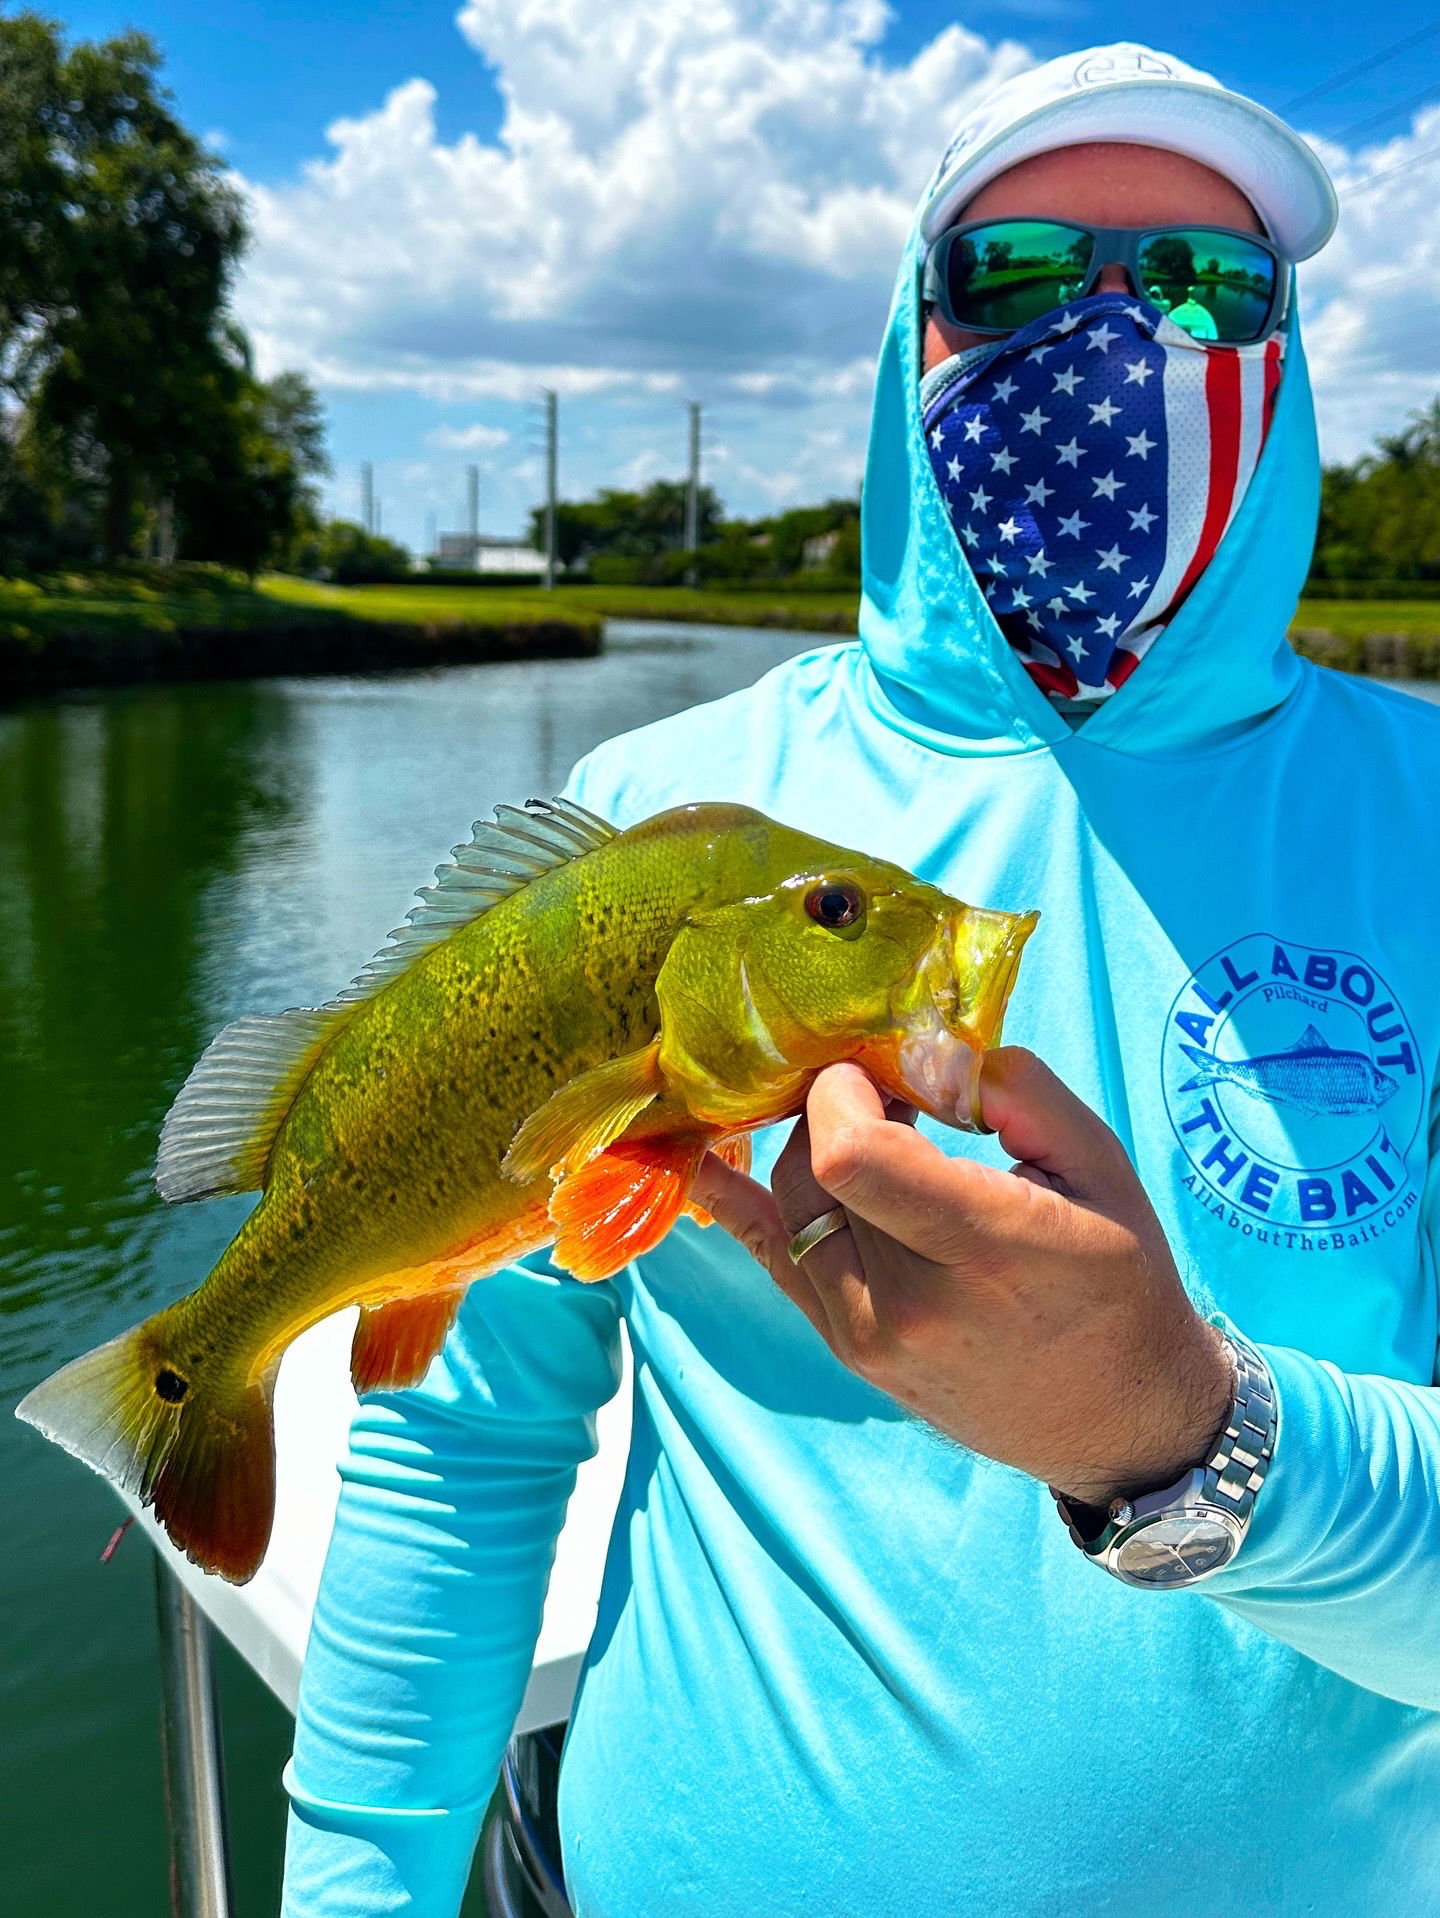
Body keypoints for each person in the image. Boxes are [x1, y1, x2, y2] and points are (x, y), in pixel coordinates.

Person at [282, 43, 1440, 1917]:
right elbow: (464, 1439)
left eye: (1209, 285)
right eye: (1020, 273)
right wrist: (355, 1888)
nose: (1113, 338)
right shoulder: (652, 816)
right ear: (914, 341)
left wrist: (1180, 1431)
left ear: (1291, 356)